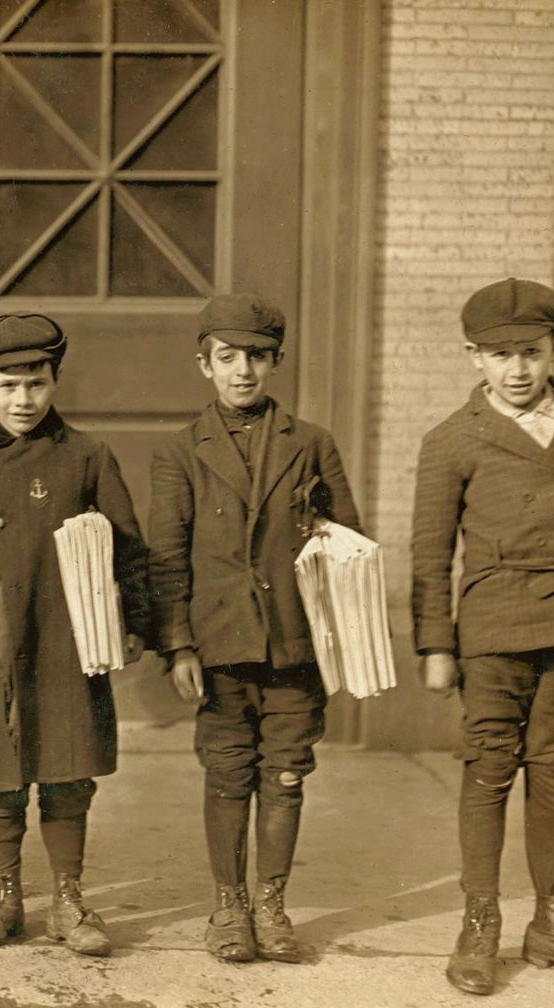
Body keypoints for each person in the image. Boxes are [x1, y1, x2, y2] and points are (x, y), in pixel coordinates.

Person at [411, 277, 554, 995]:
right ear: (473, 357)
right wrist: (437, 645)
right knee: (487, 773)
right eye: (500, 354)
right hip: (494, 628)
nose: (517, 369)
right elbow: (430, 551)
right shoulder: (452, 440)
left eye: (532, 352)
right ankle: (480, 921)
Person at [148, 293, 362, 965]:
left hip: (295, 644)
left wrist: (340, 638)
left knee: (288, 773)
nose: (243, 371)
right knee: (226, 771)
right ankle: (228, 905)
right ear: (203, 364)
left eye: (257, 358)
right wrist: (179, 644)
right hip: (219, 645)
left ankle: (271, 903)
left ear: (276, 363)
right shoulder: (180, 451)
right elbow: (166, 557)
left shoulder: (313, 443)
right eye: (228, 358)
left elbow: (348, 542)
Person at [0, 313, 149, 958]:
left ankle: (67, 898)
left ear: (55, 381)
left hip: (64, 638)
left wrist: (133, 622)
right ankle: (3, 896)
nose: (23, 401)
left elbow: (129, 548)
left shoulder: (86, 455)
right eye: (7, 386)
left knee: (65, 767)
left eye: (36, 384)